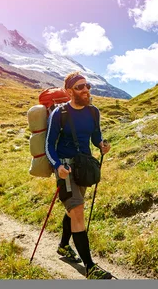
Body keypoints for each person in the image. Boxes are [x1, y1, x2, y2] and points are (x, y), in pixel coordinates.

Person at [45, 71, 113, 279]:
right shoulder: (60, 114)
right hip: (66, 170)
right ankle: (90, 268)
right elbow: (49, 145)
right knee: (78, 212)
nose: (86, 90)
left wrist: (101, 145)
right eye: (80, 87)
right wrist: (57, 166)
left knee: (72, 211)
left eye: (87, 86)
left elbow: (95, 135)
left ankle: (64, 246)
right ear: (69, 91)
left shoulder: (94, 112)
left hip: (84, 168)